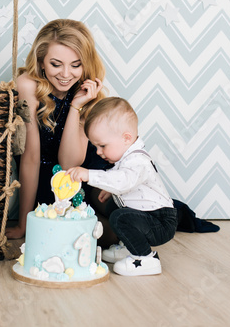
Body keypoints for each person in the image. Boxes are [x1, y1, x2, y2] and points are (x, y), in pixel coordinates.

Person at [6, 19, 106, 239]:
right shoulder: (28, 86)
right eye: (56, 64)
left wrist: (76, 106)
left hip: (82, 170)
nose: (66, 74)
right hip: (49, 179)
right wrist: (23, 225)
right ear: (41, 62)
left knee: (116, 207)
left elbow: (71, 163)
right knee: (86, 233)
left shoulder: (86, 90)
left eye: (75, 65)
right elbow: (31, 157)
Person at [66, 97, 178, 276]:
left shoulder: (137, 160)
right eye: (95, 146)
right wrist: (110, 189)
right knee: (114, 206)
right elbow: (123, 180)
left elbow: (123, 181)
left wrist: (88, 174)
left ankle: (146, 258)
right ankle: (130, 247)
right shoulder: (127, 157)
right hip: (148, 216)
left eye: (102, 146)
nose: (98, 152)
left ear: (126, 138)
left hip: (161, 222)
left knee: (120, 217)